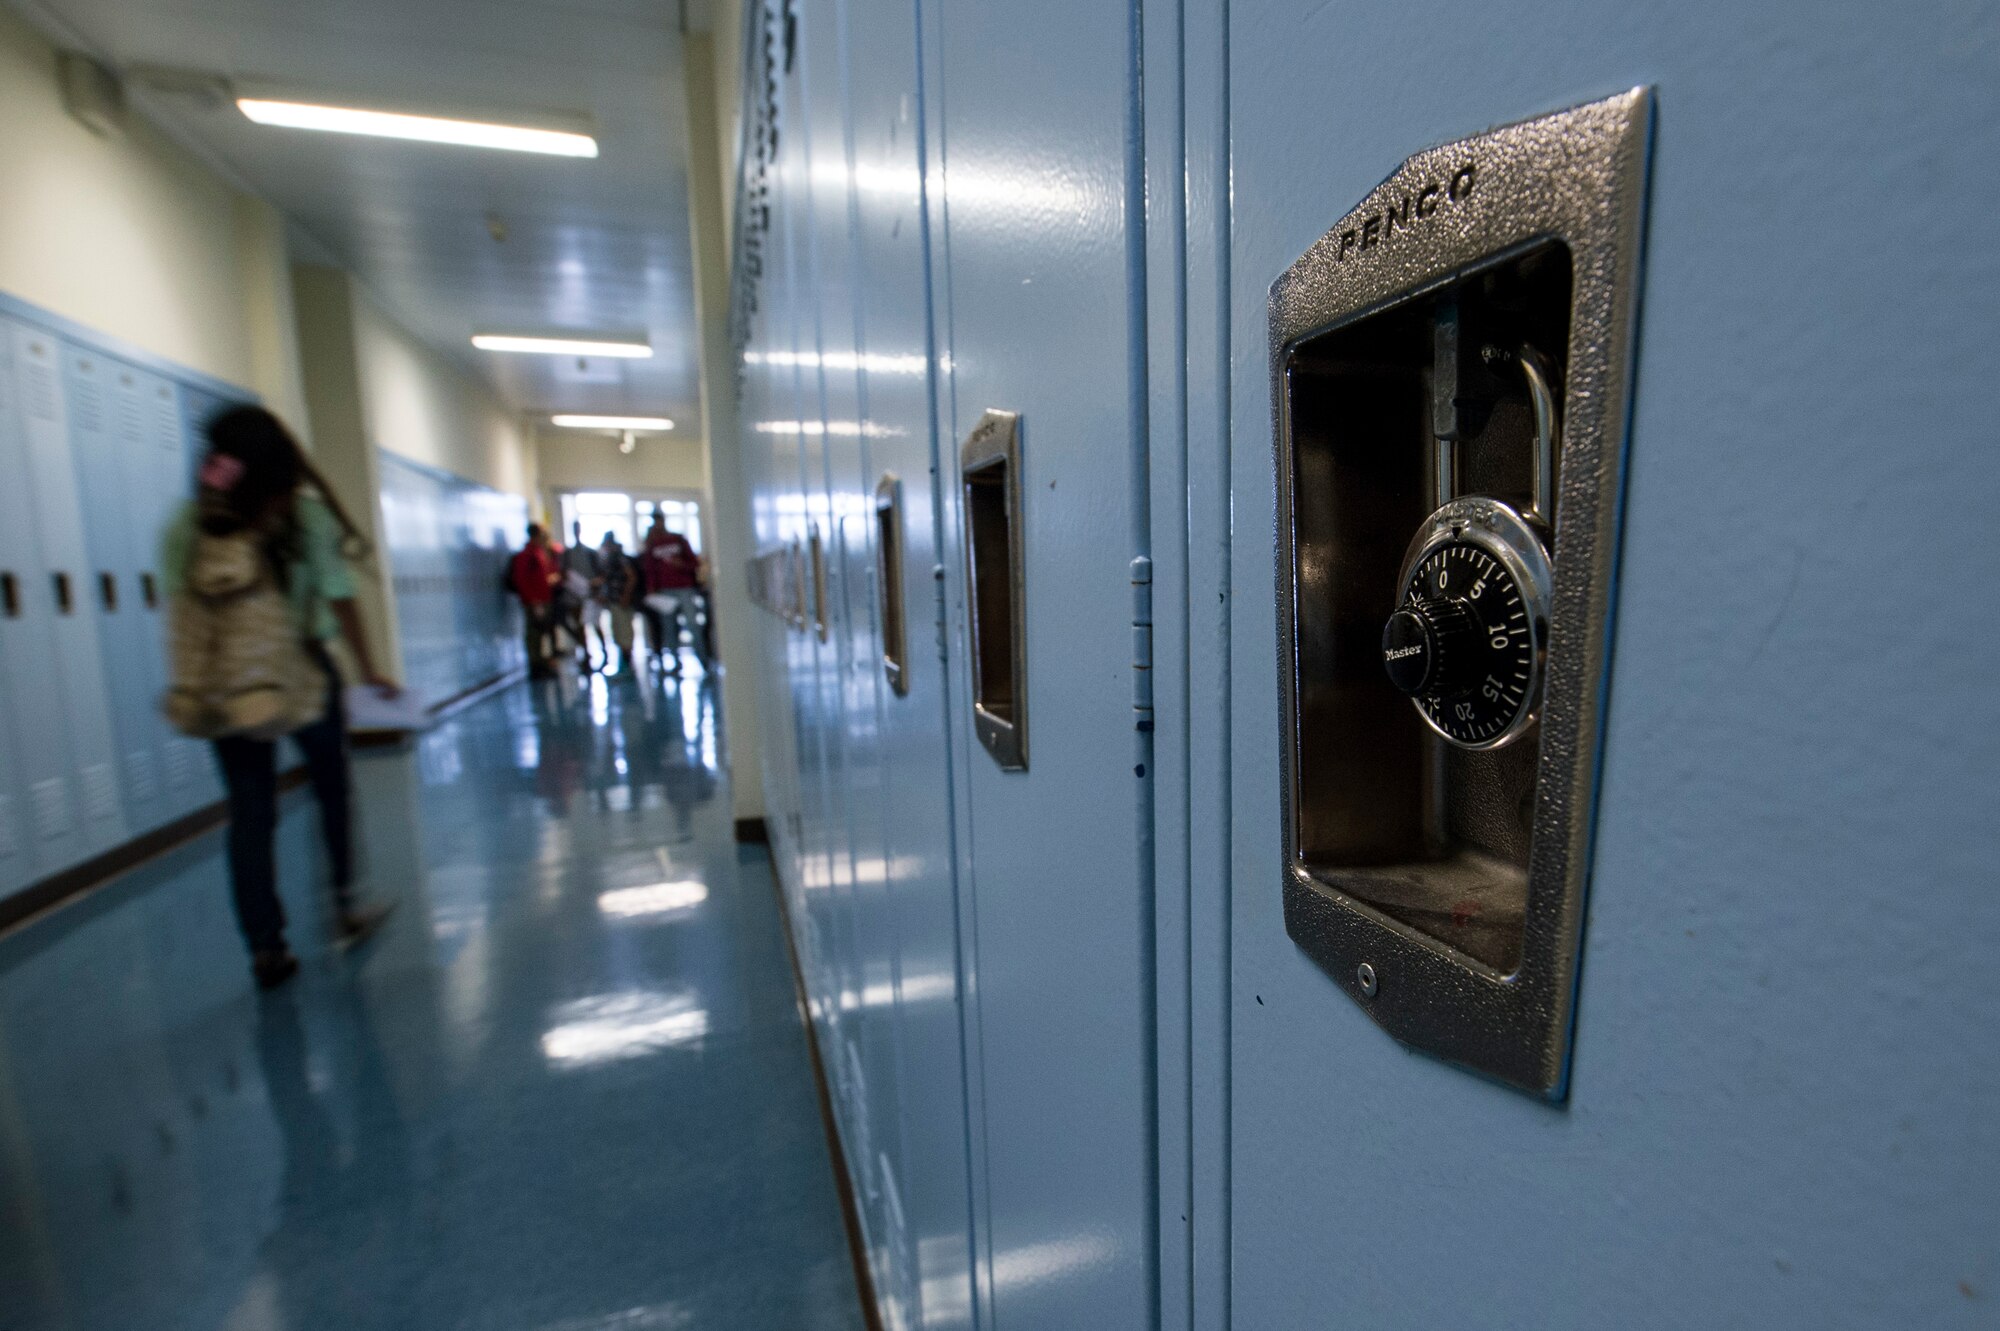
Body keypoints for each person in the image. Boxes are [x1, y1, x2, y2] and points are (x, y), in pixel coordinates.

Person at [159, 406, 398, 990]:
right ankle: (345, 905)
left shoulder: (187, 527)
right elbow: (339, 601)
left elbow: (183, 615)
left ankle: (266, 948)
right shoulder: (304, 520)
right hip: (301, 673)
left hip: (227, 686)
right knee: (332, 787)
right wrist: (369, 669)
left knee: (250, 812)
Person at [639, 513, 704, 675]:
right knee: (669, 628)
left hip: (684, 588)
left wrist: (681, 565)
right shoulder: (652, 545)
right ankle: (675, 663)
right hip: (665, 591)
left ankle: (703, 660)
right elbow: (650, 570)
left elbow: (694, 563)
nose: (658, 524)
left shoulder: (678, 540)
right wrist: (652, 589)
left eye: (659, 521)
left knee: (692, 625)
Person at [509, 524, 561, 679]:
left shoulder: (539, 553)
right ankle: (536, 666)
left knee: (542, 633)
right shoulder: (527, 555)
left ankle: (543, 663)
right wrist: (533, 601)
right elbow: (522, 580)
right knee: (534, 634)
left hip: (543, 599)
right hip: (535, 602)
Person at [559, 520, 604, 671]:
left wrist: (595, 589)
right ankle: (586, 655)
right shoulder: (567, 554)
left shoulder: (590, 553)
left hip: (591, 596)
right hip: (574, 597)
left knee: (595, 626)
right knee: (580, 628)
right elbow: (564, 576)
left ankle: (604, 652)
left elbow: (600, 575)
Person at [598, 531, 642, 674]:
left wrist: (626, 596)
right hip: (614, 600)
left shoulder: (620, 558)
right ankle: (623, 663)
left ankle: (627, 664)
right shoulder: (610, 559)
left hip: (622, 601)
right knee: (617, 631)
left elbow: (631, 577)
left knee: (625, 633)